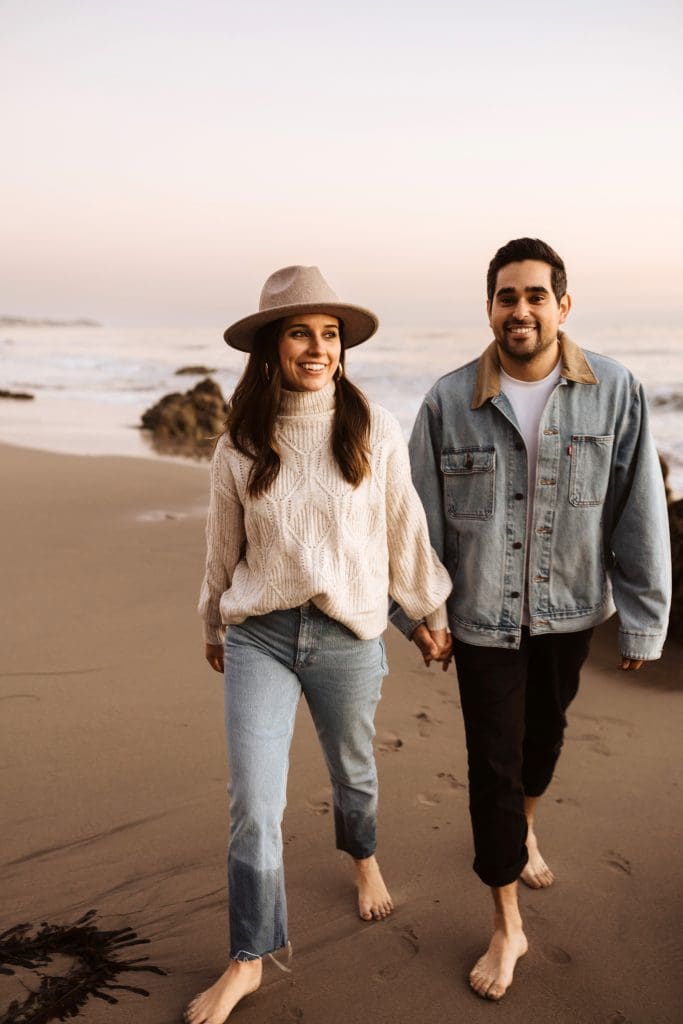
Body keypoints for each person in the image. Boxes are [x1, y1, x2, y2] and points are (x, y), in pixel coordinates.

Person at [391, 238, 671, 1001]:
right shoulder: (449, 401)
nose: (519, 310)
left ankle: (526, 824)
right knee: (492, 764)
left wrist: (643, 620)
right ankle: (506, 922)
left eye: (534, 295)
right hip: (480, 619)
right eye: (505, 296)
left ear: (562, 304)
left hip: (570, 610)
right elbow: (417, 521)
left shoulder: (614, 390)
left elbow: (637, 511)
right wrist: (422, 613)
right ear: (488, 308)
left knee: (541, 743)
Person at [185, 265, 452, 1024]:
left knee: (354, 772)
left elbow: (402, 531)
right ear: (270, 347)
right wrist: (213, 624)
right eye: (300, 332)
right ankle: (248, 957)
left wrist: (427, 610)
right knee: (252, 804)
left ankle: (361, 857)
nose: (317, 346)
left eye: (328, 334)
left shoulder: (373, 425)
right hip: (260, 636)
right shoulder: (240, 440)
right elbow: (221, 552)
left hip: (348, 634)